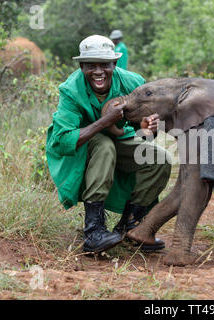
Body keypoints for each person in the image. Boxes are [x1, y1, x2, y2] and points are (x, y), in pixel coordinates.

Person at [46, 35, 171, 254]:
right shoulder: (71, 90)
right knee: (104, 146)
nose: (98, 71)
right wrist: (105, 121)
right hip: (82, 149)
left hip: (119, 141)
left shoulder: (133, 83)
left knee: (158, 159)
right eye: (90, 66)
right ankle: (94, 231)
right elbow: (64, 140)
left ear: (114, 64)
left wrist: (149, 127)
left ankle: (132, 227)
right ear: (81, 66)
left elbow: (144, 132)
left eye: (105, 65)